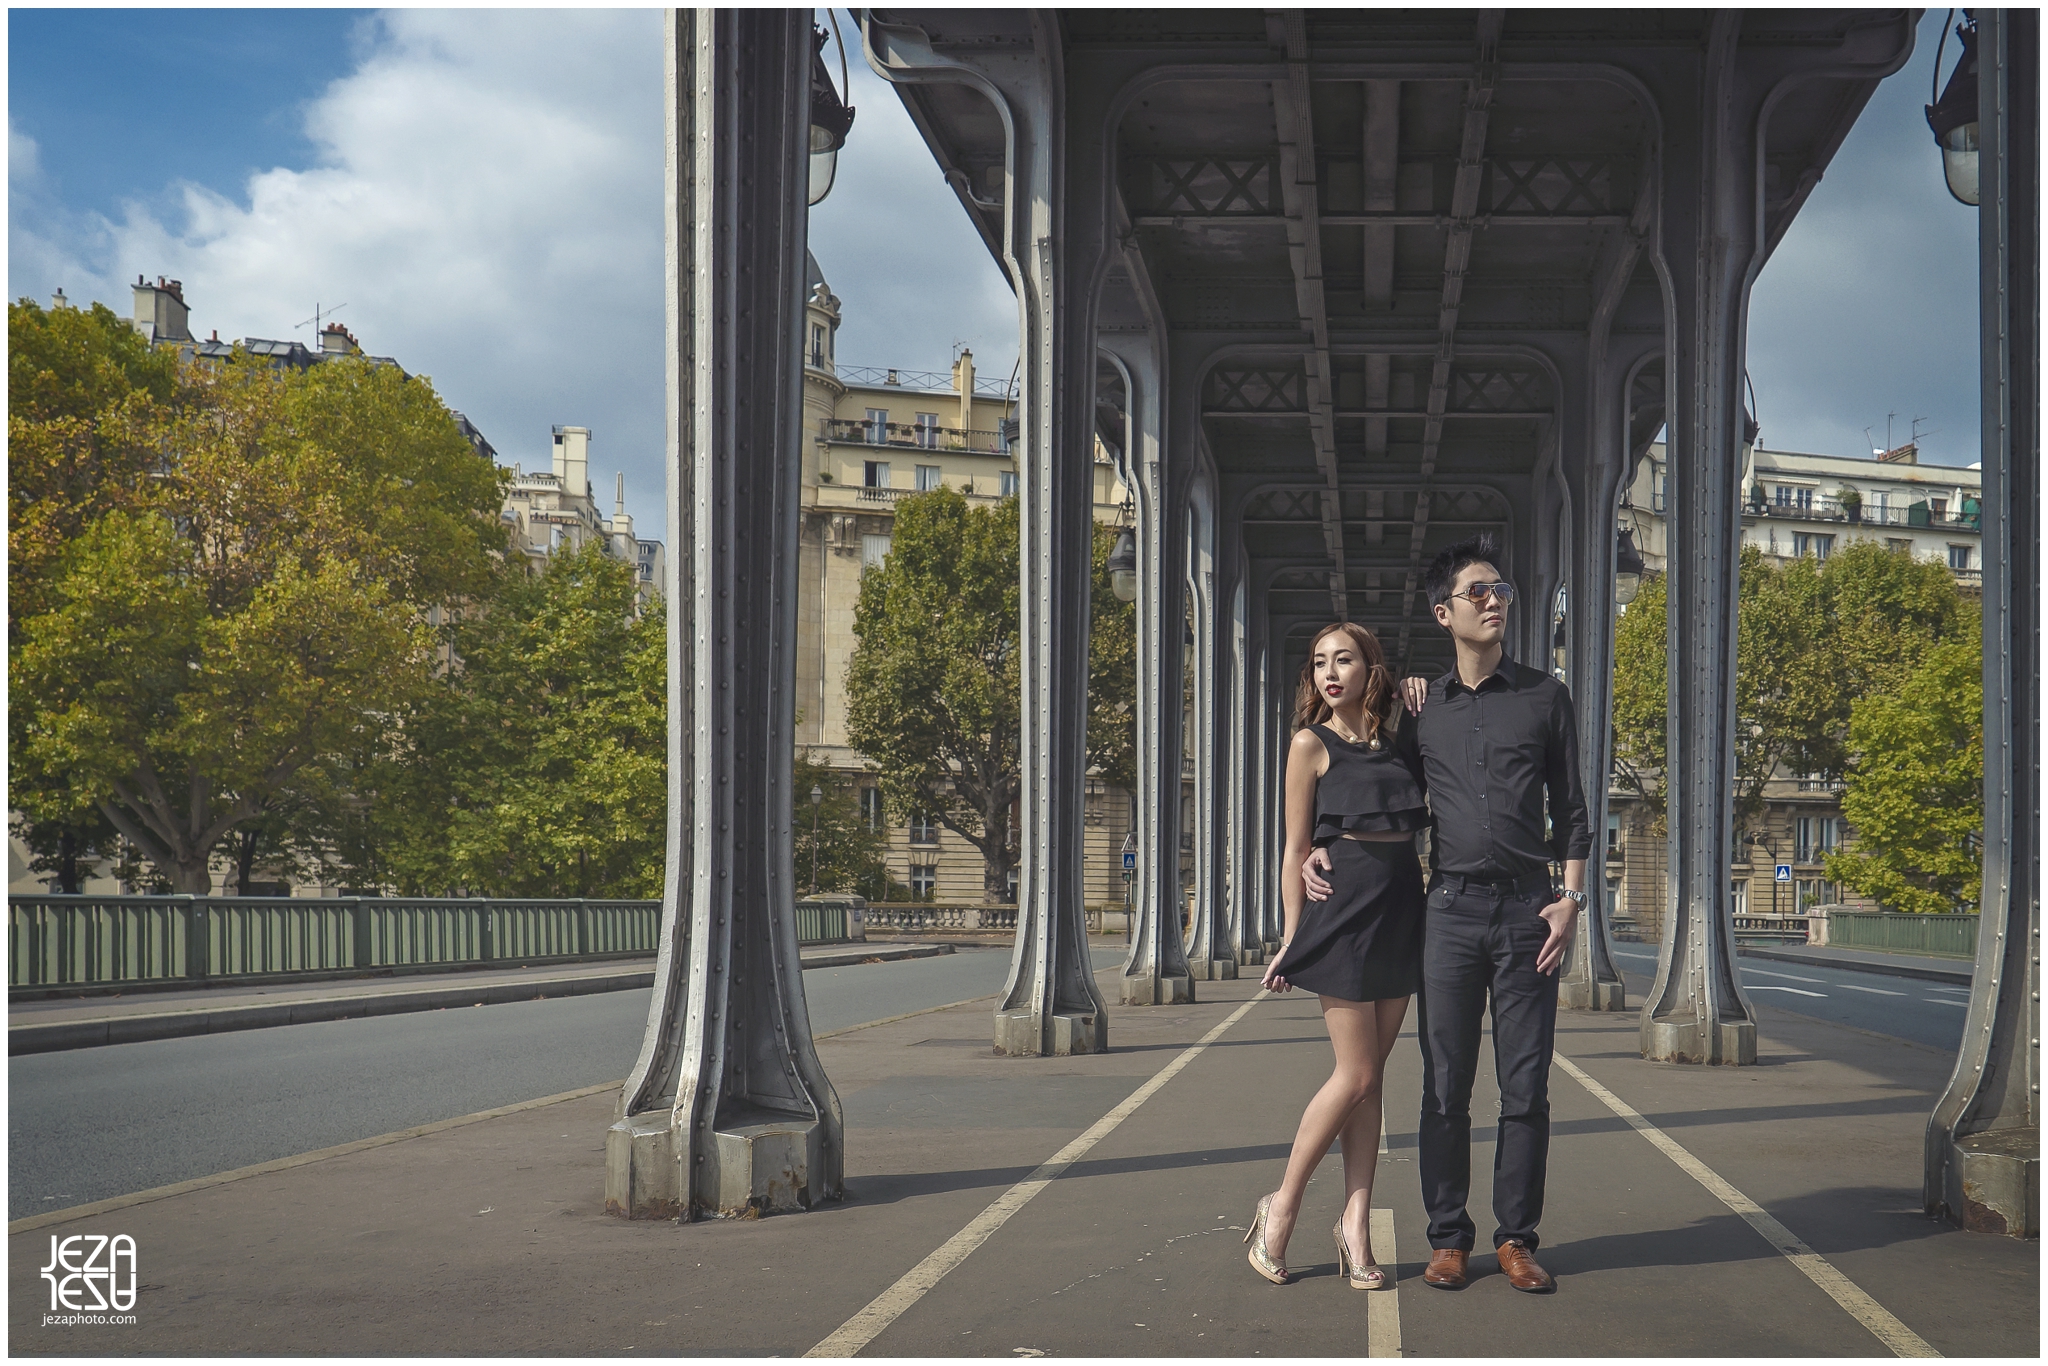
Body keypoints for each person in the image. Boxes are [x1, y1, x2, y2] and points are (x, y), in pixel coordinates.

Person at [1303, 533, 1590, 1294]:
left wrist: (1571, 899)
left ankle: (1517, 1239)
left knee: (1525, 1086)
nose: (1495, 600)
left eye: (1501, 589)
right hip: (1450, 911)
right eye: (1477, 592)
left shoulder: (1544, 696)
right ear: (1443, 613)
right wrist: (1314, 847)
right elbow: (1366, 782)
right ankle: (1449, 1238)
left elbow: (1575, 809)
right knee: (1445, 1085)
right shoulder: (1418, 713)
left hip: (1532, 910)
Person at [1244, 621, 1428, 1290]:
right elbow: (1295, 849)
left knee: (1372, 1079)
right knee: (1352, 1075)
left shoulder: (1397, 735)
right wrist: (1293, 936)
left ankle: (1354, 1226)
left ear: (1368, 667)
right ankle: (1282, 1204)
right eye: (1320, 661)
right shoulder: (1307, 744)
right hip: (1343, 910)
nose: (1331, 671)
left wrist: (1418, 698)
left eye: (1344, 659)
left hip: (1403, 906)